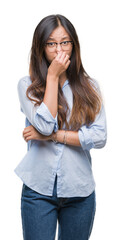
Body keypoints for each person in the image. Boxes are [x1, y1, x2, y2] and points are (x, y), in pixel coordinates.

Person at [14, 14, 107, 240]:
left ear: (73, 45)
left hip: (80, 191)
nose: (59, 50)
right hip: (38, 192)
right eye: (51, 44)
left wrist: (54, 136)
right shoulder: (27, 86)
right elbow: (44, 125)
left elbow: (100, 137)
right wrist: (53, 77)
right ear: (41, 47)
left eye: (65, 42)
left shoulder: (90, 86)